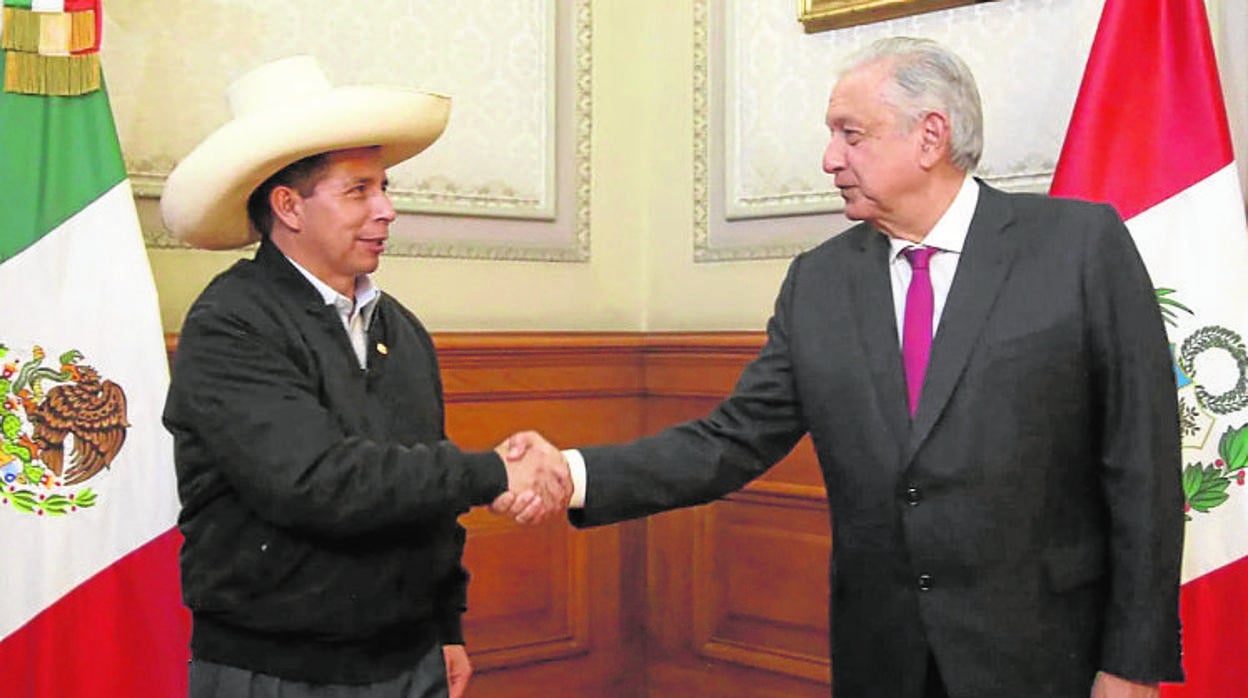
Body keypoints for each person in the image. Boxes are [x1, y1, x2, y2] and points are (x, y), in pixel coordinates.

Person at [497, 37, 1184, 698]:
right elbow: (728, 441)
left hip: (1043, 658)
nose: (830, 158)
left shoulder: (1077, 248)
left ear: (930, 135)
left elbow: (1142, 468)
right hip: (883, 659)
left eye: (851, 135)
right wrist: (573, 472)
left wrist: (1132, 662)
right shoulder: (819, 283)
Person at [160, 56, 569, 698]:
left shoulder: (400, 330)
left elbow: (422, 487)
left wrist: (446, 627)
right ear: (288, 206)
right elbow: (317, 483)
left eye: (385, 187)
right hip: (278, 674)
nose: (387, 210)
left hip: (409, 661)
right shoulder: (230, 323)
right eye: (359, 191)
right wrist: (494, 472)